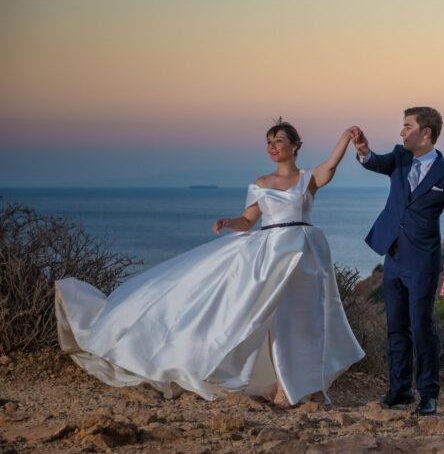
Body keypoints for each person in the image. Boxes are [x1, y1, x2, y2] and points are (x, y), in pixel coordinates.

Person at [54, 119, 365, 409]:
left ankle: (310, 387)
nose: (273, 146)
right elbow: (248, 220)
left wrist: (344, 138)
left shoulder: (307, 179)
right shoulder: (262, 181)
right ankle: (285, 387)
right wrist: (228, 221)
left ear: (295, 145)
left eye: (279, 141)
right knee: (277, 320)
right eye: (269, 141)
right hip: (271, 256)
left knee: (309, 320)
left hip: (306, 254)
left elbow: (330, 166)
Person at [351, 107, 444, 416]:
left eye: (407, 126)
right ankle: (400, 389)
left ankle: (428, 393)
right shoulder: (399, 159)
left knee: (421, 327)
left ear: (425, 133)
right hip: (393, 256)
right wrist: (363, 151)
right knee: (396, 327)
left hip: (423, 263)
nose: (401, 132)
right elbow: (376, 162)